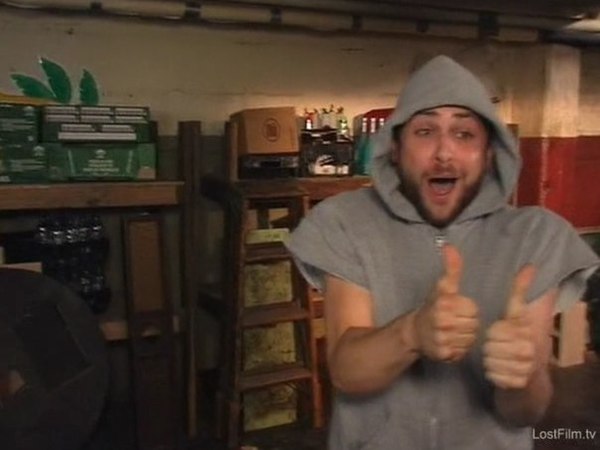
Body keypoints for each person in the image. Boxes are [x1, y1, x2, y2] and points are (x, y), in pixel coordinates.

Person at [286, 55, 600, 450]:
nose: (444, 153)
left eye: (464, 134)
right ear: (395, 148)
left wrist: (521, 380)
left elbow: (526, 413)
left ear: (490, 152)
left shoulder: (536, 236)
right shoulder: (346, 222)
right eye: (425, 131)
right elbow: (347, 372)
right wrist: (412, 332)